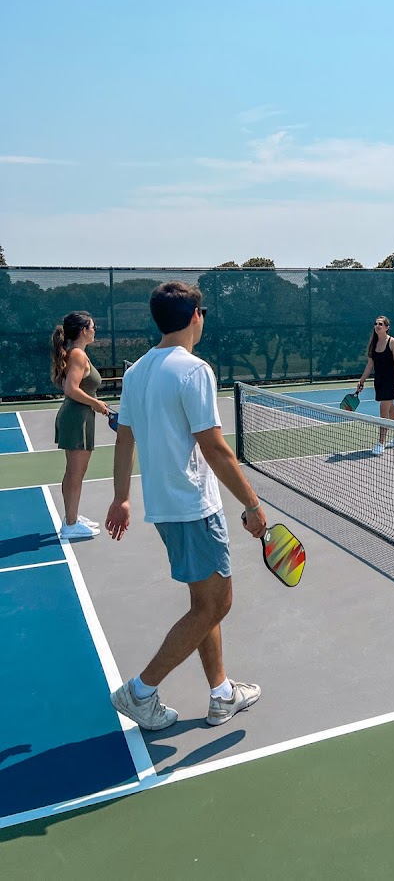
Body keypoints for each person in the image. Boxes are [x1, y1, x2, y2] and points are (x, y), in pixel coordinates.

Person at [104, 281, 268, 731]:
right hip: (194, 505)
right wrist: (252, 504)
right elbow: (215, 448)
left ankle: (221, 694)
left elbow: (124, 439)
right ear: (194, 315)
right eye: (203, 312)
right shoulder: (195, 370)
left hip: (165, 507)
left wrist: (121, 497)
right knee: (215, 605)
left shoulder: (137, 371)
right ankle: (140, 691)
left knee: (203, 602)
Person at [51, 311, 110, 540]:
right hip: (77, 417)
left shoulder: (78, 354)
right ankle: (70, 524)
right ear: (84, 330)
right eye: (93, 327)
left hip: (79, 415)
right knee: (76, 473)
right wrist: (95, 403)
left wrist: (93, 404)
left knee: (74, 472)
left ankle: (71, 517)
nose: (95, 331)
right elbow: (71, 389)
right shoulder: (77, 355)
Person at [357, 315, 394, 456]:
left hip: (391, 382)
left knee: (383, 412)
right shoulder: (374, 343)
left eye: (380, 324)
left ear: (387, 327)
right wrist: (362, 381)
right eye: (376, 324)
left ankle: (380, 444)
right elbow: (370, 365)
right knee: (391, 411)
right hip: (379, 382)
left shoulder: (393, 343)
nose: (377, 326)